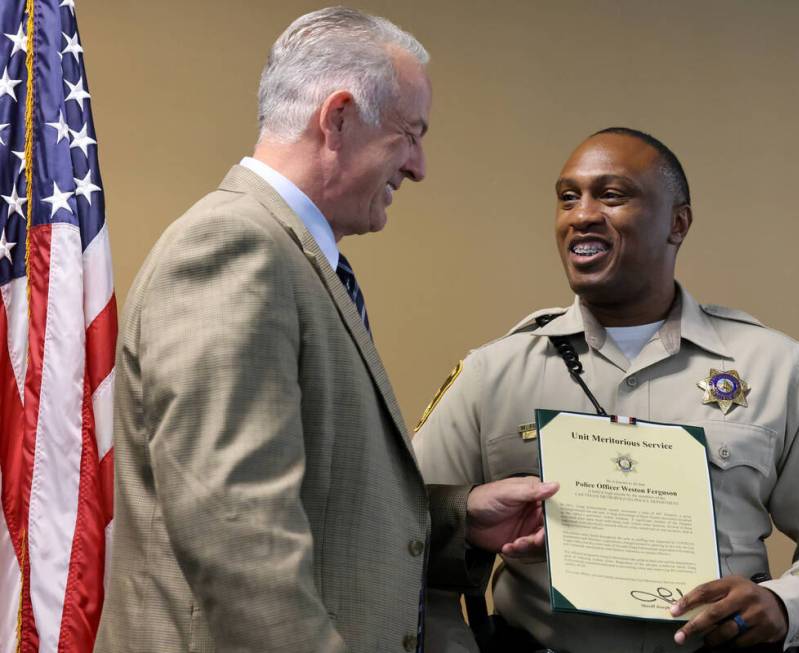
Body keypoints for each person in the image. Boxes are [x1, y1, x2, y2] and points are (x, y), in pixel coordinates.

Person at [95, 8, 557, 653]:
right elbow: (237, 530)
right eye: (409, 134)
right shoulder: (235, 246)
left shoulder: (296, 260)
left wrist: (457, 521)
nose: (419, 167)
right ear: (338, 118)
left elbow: (320, 496)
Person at [412, 127, 799, 652]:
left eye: (611, 195)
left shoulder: (777, 368)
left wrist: (784, 604)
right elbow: (405, 524)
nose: (582, 214)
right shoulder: (492, 374)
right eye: (568, 198)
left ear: (677, 223)